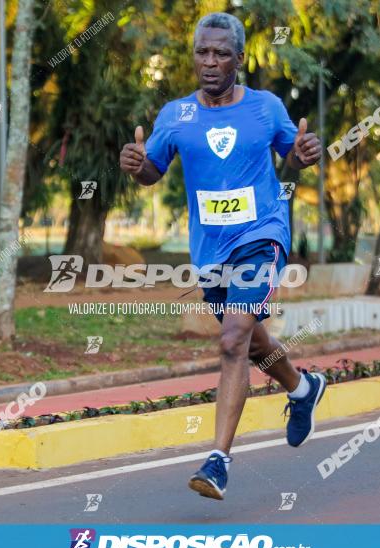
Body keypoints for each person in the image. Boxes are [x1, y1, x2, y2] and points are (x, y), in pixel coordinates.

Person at [119, 12, 324, 500]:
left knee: (232, 338)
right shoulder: (176, 116)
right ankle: (302, 388)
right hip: (211, 248)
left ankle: (218, 461)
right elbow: (154, 171)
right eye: (202, 53)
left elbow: (289, 160)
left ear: (239, 58)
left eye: (221, 53)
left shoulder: (265, 107)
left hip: (261, 233)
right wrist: (136, 166)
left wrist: (302, 154)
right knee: (250, 341)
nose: (210, 62)